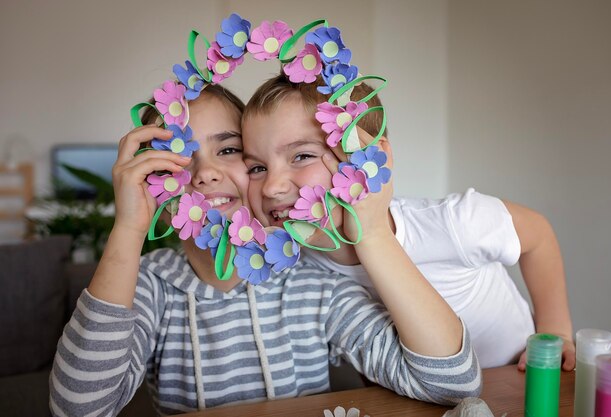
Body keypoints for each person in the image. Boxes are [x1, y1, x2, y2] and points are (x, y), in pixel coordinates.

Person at [49, 84, 481, 416]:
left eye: (229, 150)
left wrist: (373, 233)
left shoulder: (311, 280)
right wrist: (128, 227)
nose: (205, 173)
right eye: (176, 158)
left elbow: (452, 385)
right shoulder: (149, 286)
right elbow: (78, 409)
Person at [241, 72, 574, 370]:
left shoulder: (455, 224)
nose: (272, 186)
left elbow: (538, 236)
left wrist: (554, 331)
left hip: (518, 377)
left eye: (302, 156)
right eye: (257, 167)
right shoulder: (294, 267)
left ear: (374, 159)